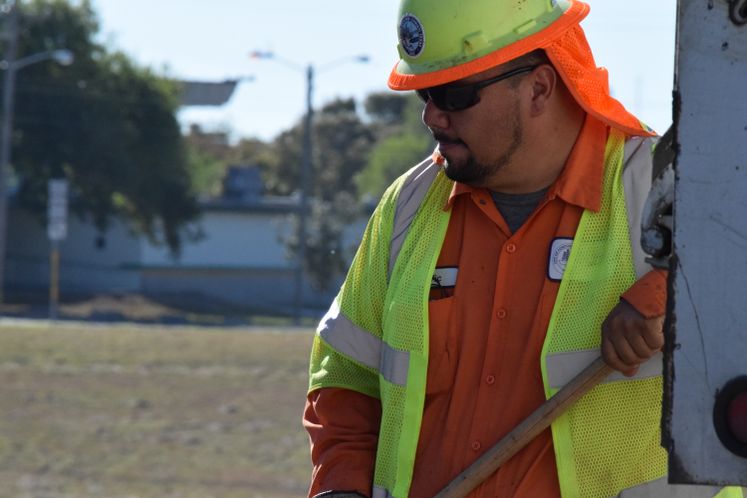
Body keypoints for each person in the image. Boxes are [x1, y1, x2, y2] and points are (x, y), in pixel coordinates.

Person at [303, 1, 740, 497]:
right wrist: (340, 487)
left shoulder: (668, 190)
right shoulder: (408, 205)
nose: (432, 116)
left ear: (538, 88)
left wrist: (667, 298)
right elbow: (345, 371)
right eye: (425, 93)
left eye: (454, 93)